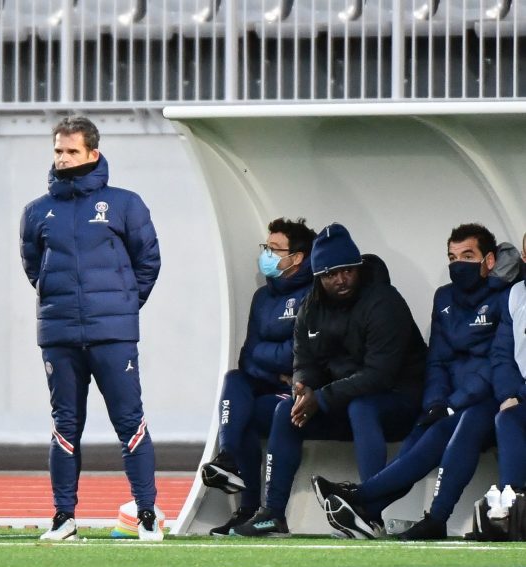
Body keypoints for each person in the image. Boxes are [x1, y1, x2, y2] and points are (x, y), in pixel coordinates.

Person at [313, 224, 522, 540]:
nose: (458, 264)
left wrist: (452, 405)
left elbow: (495, 363)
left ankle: (370, 499)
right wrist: (436, 403)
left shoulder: (505, 294)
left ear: (489, 261)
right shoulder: (445, 298)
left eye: (468, 256)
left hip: (483, 400)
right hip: (449, 400)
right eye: (452, 257)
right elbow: (436, 359)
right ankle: (368, 509)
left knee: (454, 427)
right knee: (420, 436)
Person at [19, 116, 163, 541]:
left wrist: (118, 305)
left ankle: (148, 514)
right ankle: (64, 518)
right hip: (60, 336)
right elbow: (34, 267)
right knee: (65, 425)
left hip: (113, 334)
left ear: (92, 154)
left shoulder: (125, 204)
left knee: (130, 422)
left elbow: (148, 262)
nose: (63, 159)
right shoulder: (36, 212)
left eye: (72, 151)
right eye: (58, 152)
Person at [232, 223, 427, 537]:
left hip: (398, 400)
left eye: (348, 270)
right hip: (345, 399)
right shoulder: (311, 306)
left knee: (362, 407)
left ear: (357, 268)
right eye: (331, 274)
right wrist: (303, 386)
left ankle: (369, 512)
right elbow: (304, 360)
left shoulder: (384, 302)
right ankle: (272, 514)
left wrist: (320, 398)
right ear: (319, 277)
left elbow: (379, 375)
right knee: (287, 412)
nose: (341, 279)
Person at [199, 218, 316, 536]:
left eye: (275, 249)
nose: (266, 254)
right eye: (266, 247)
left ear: (298, 257)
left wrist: (276, 362)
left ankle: (258, 508)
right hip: (268, 382)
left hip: (296, 391)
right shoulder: (262, 297)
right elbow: (248, 355)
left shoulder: (313, 293)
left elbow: (299, 354)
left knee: (248, 415)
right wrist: (274, 365)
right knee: (235, 378)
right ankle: (228, 461)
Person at [492, 231, 526, 491]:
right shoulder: (516, 294)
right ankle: (512, 506)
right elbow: (502, 354)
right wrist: (508, 394)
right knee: (508, 418)